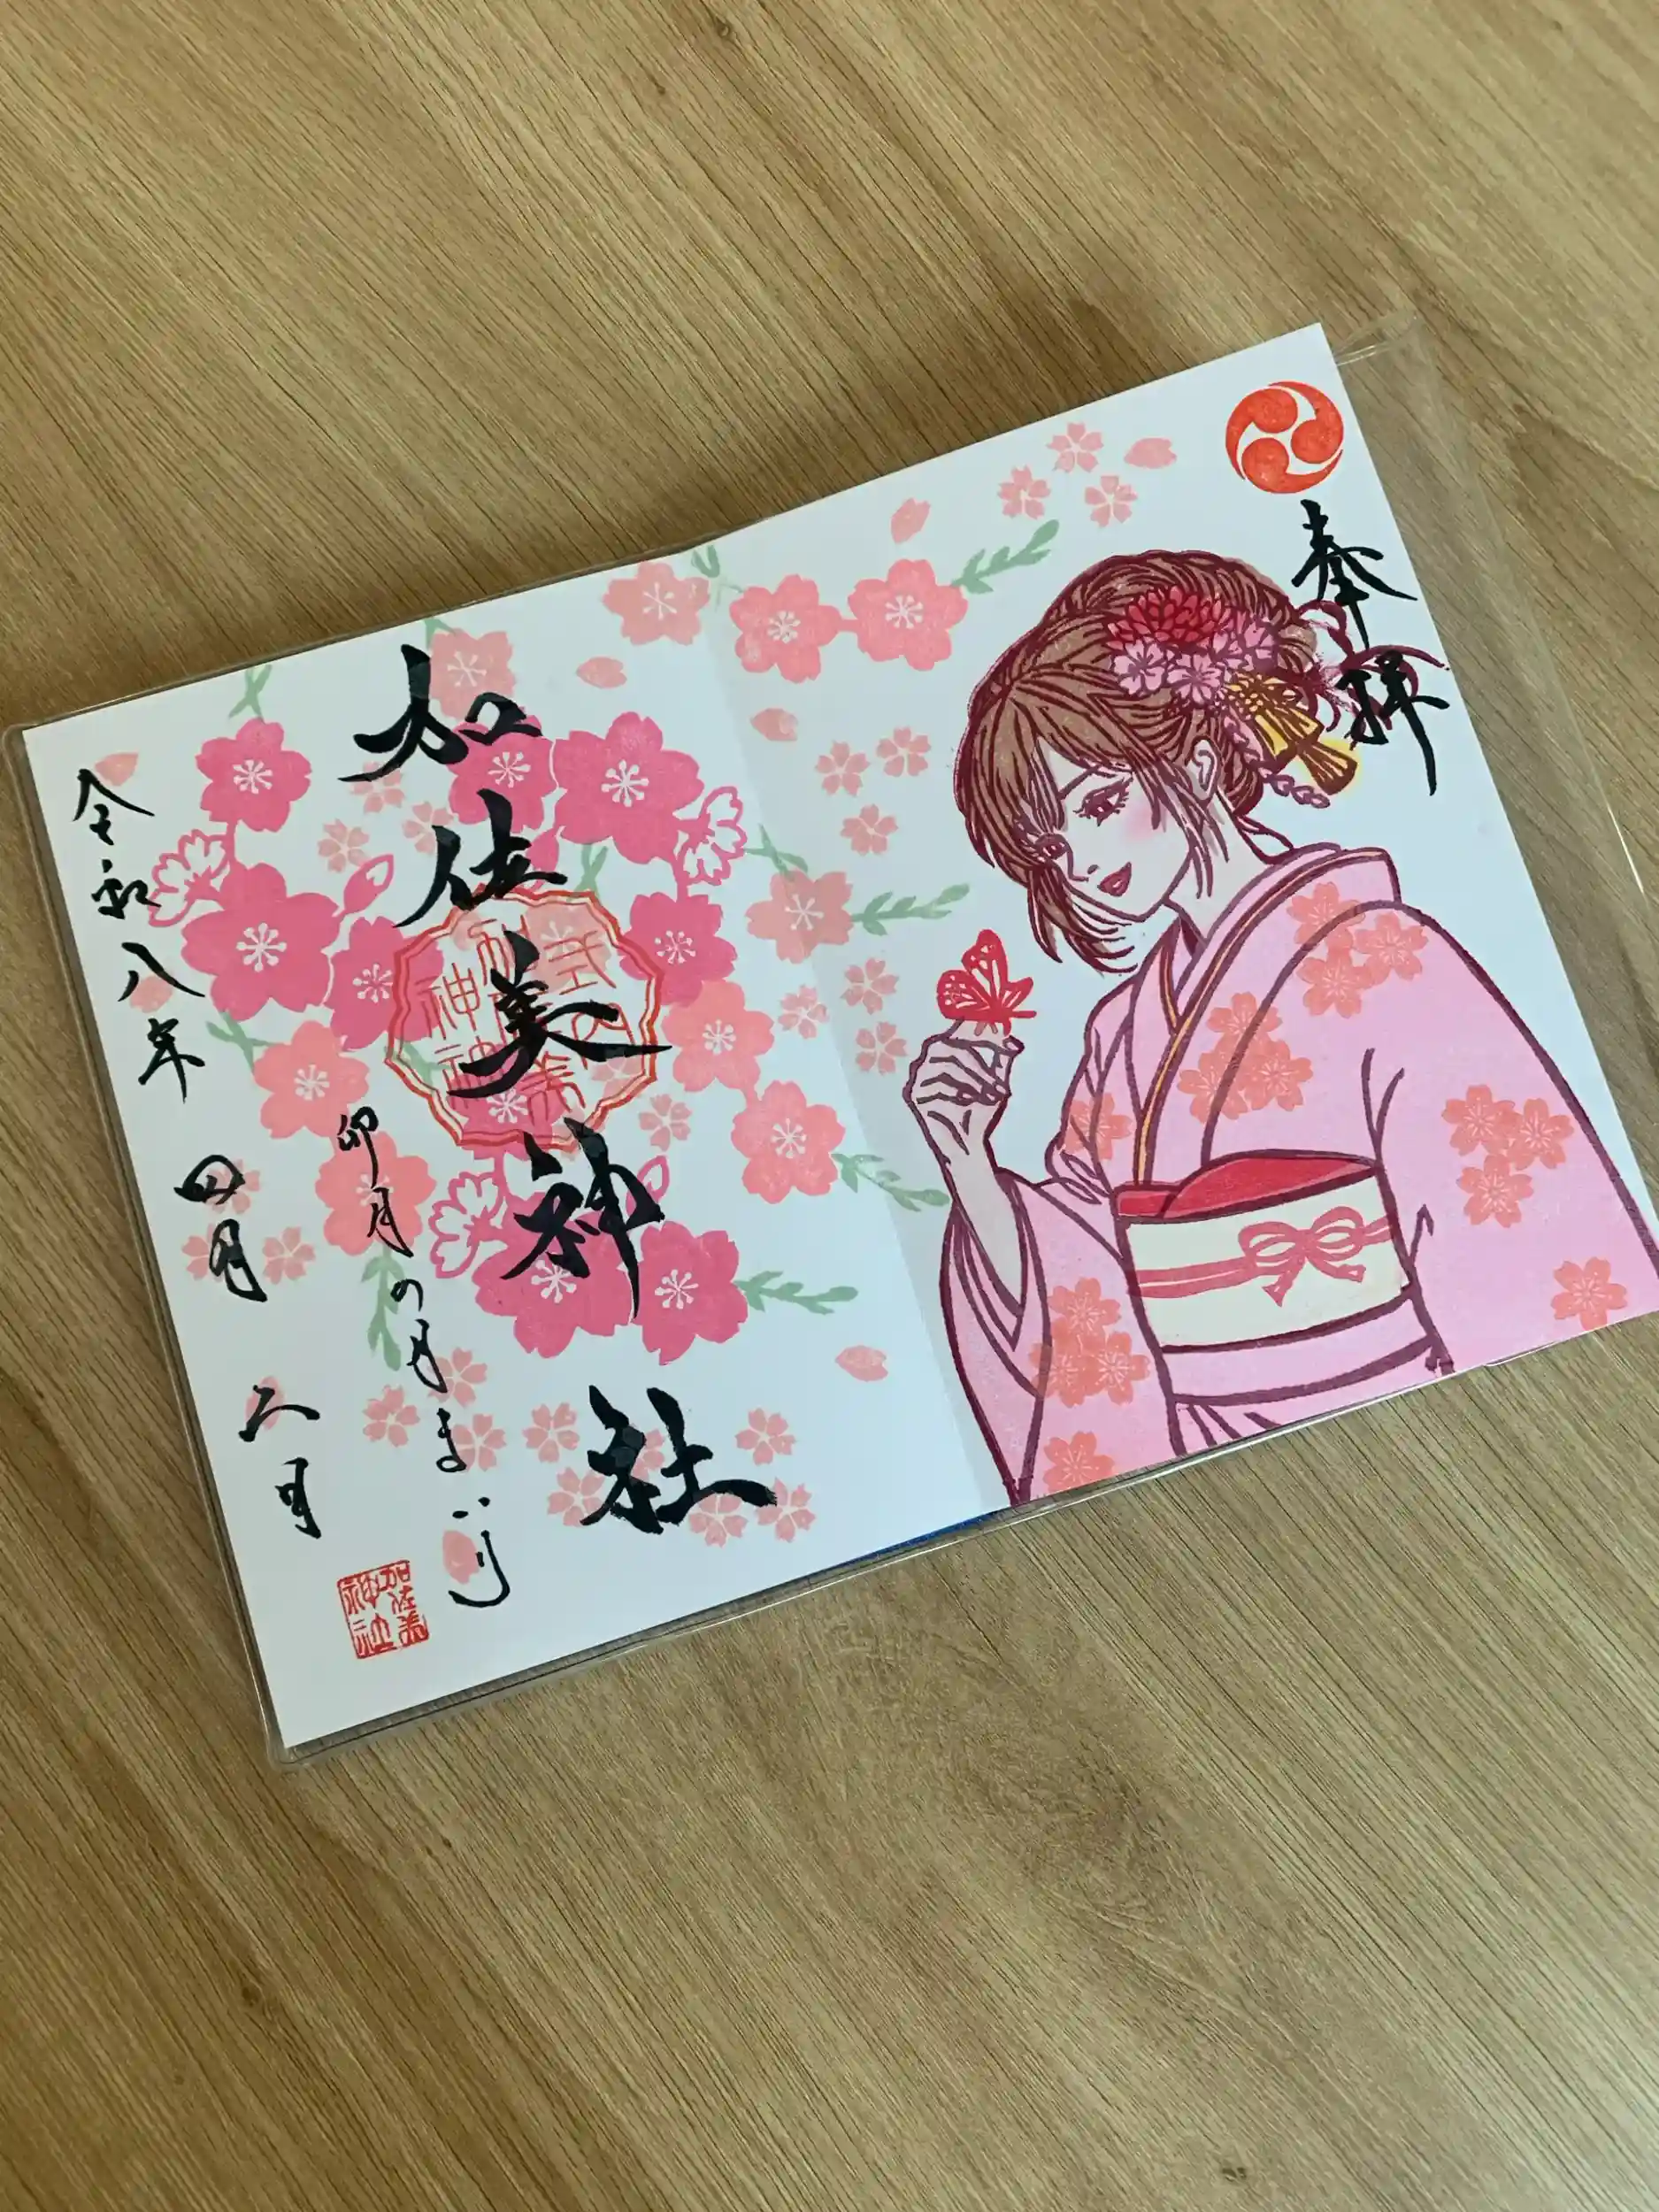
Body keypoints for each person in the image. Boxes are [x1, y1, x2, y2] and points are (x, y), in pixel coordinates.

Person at [906, 549, 1659, 1506]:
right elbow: (1080, 1281)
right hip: (1212, 1477)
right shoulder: (1120, 1036)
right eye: (1053, 844)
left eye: (1099, 803)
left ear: (1198, 757)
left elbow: (1531, 1253)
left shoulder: (1385, 963)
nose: (1082, 863)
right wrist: (969, 1164)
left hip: (1424, 1432)